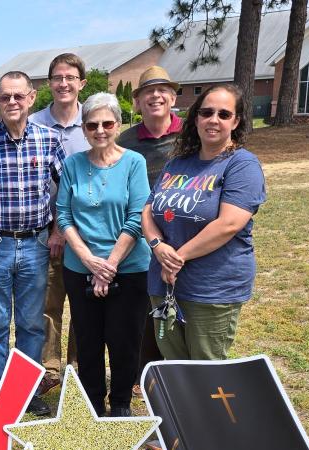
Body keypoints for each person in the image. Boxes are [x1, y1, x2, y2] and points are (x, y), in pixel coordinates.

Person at [0, 71, 66, 416]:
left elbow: (65, 189)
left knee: (31, 323)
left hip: (36, 245)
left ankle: (25, 390)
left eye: (18, 96)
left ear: (31, 98)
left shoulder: (49, 140)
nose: (12, 102)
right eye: (5, 97)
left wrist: (57, 231)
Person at [140, 83, 266, 361]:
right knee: (175, 368)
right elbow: (148, 210)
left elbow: (228, 224)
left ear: (236, 121)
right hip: (164, 284)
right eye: (207, 112)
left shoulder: (242, 165)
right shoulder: (178, 163)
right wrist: (158, 245)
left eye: (223, 114)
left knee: (207, 371)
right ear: (195, 117)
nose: (213, 120)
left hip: (212, 288)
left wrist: (177, 258)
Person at [55, 92, 151, 417]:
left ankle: (121, 403)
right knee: (88, 340)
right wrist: (88, 260)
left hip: (128, 268)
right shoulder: (73, 164)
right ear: (83, 129)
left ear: (119, 125)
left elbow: (137, 217)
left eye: (107, 123)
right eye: (92, 124)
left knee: (124, 339)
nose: (100, 130)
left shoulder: (134, 163)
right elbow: (64, 216)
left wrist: (108, 265)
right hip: (80, 267)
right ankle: (93, 404)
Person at [29, 53, 91, 396]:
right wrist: (54, 228)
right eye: (57, 77)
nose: (64, 83)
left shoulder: (95, 121)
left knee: (84, 303)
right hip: (45, 233)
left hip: (87, 232)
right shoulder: (34, 122)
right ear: (48, 84)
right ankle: (48, 368)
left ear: (81, 82)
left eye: (70, 77)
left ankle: (77, 367)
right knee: (47, 304)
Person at [116, 66, 181, 381]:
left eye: (162, 90)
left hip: (183, 232)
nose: (155, 96)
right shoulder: (126, 141)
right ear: (138, 102)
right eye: (147, 92)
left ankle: (180, 368)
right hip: (142, 234)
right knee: (143, 306)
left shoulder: (190, 135)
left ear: (171, 97)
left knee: (183, 303)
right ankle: (144, 372)